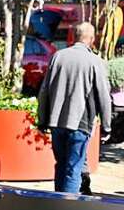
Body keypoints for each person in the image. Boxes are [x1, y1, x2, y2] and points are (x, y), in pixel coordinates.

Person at [37, 21, 112, 194]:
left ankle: (57, 205)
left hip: (56, 122)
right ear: (92, 39)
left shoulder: (58, 56)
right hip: (80, 122)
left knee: (61, 165)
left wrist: (42, 120)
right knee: (73, 169)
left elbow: (44, 91)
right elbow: (104, 97)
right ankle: (67, 209)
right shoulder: (95, 61)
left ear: (74, 37)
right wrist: (106, 127)